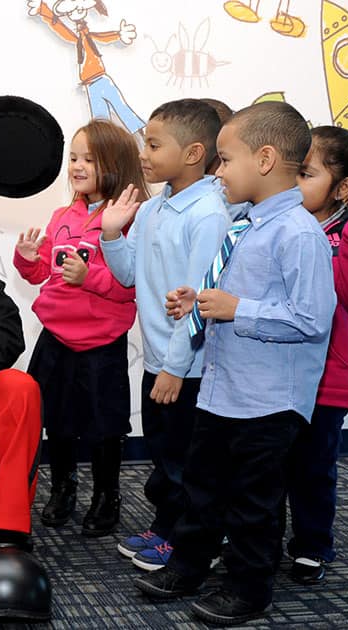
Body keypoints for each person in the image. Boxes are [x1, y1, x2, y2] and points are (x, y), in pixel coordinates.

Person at [134, 101, 336, 626]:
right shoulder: (244, 224)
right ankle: (190, 565)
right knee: (203, 486)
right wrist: (198, 299)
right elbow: (230, 291)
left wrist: (236, 308)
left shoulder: (298, 233)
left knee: (254, 503)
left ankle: (250, 588)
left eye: (225, 160)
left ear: (265, 159)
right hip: (222, 391)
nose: (218, 172)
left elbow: (311, 319)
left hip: (268, 401)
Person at [100, 99, 229, 569]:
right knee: (164, 453)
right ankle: (167, 527)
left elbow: (198, 299)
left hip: (188, 367)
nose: (145, 154)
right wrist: (111, 234)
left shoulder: (209, 213)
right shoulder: (154, 208)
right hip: (158, 358)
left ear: (194, 152)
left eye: (154, 145)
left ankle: (195, 541)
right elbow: (129, 273)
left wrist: (176, 368)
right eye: (144, 143)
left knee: (189, 461)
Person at [15, 119, 146, 537]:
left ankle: (107, 496)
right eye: (73, 156)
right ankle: (63, 489)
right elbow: (42, 274)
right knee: (56, 419)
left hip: (101, 344)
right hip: (55, 339)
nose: (77, 165)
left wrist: (86, 278)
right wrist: (27, 257)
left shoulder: (128, 219)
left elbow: (130, 288)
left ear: (115, 163)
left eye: (89, 158)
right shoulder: (62, 214)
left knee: (105, 426)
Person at [284, 125, 348, 583]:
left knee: (313, 467)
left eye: (305, 173)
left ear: (342, 188)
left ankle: (311, 544)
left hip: (327, 381)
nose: (292, 182)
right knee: (264, 465)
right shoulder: (279, 220)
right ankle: (254, 540)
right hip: (277, 375)